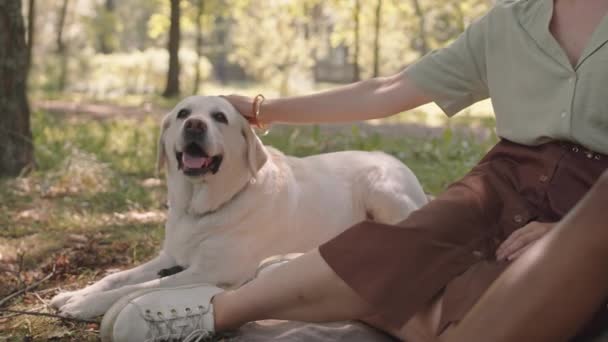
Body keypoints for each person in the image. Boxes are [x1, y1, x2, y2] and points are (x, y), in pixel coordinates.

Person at [99, 0, 608, 341]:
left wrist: (572, 236)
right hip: (505, 180)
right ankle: (213, 312)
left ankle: (313, 287)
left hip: (597, 204)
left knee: (500, 306)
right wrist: (265, 108)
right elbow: (388, 90)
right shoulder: (508, 23)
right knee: (404, 245)